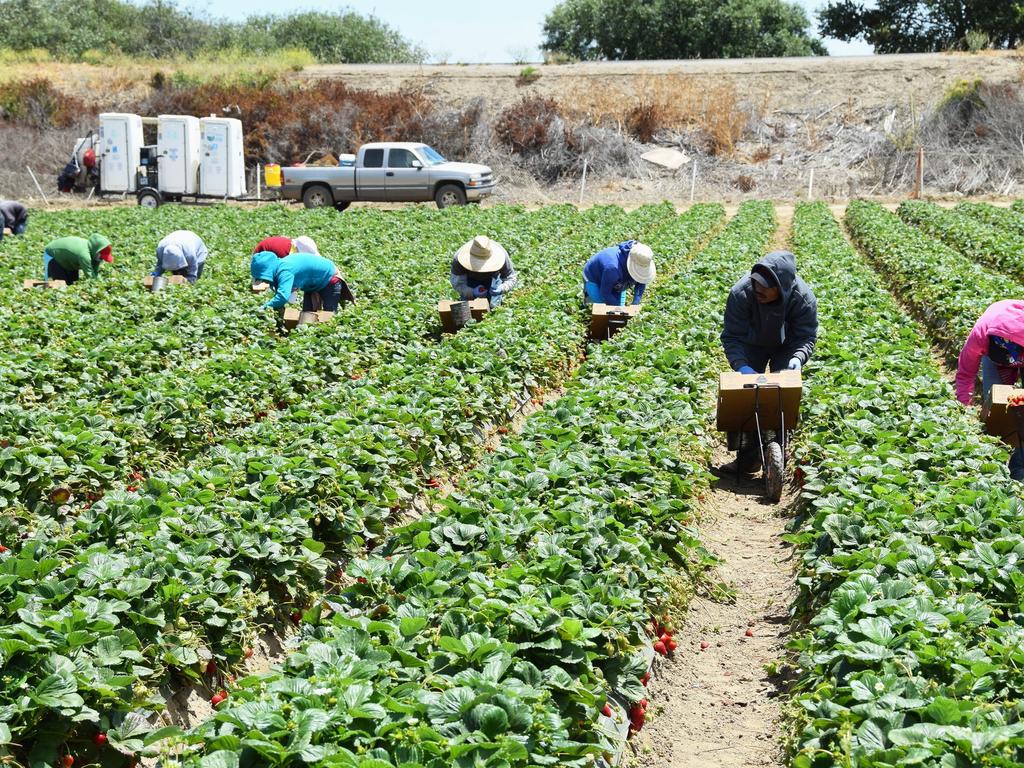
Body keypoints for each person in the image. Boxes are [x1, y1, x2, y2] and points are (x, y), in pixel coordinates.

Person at [720, 250, 818, 474]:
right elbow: (732, 337)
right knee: (747, 394)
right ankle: (747, 459)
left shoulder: (802, 298)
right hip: (751, 343)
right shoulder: (741, 293)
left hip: (788, 345)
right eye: (756, 284)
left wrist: (797, 358)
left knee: (782, 395)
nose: (758, 290)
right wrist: (741, 365)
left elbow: (806, 336)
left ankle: (779, 452)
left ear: (781, 288)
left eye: (765, 287)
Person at [956, 300, 1024, 480]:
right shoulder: (981, 335)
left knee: (1022, 411)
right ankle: (996, 457)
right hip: (992, 356)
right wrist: (964, 405)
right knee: (995, 403)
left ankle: (1019, 468)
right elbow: (966, 373)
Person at [251, 250, 350, 313]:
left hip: (329, 278)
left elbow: (282, 296)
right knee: (307, 314)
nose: (264, 281)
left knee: (329, 314)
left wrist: (264, 307)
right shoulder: (279, 267)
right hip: (312, 284)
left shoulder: (284, 271)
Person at [450, 235, 518, 308]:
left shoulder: (502, 255)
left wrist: (502, 288)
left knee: (493, 307)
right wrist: (472, 292)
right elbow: (458, 284)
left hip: (493, 279)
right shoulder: (459, 259)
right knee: (468, 308)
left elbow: (510, 278)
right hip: (469, 279)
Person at [582, 241, 655, 306]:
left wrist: (635, 303)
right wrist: (617, 308)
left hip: (614, 278)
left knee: (618, 309)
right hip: (594, 278)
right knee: (604, 309)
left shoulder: (641, 257)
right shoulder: (613, 268)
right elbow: (605, 293)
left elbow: (641, 281)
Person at [43, 234, 113, 284]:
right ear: (97, 252)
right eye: (101, 257)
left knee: (73, 281)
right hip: (53, 254)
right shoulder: (84, 255)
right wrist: (98, 285)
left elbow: (95, 270)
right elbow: (90, 275)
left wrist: (98, 281)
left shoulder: (94, 253)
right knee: (62, 283)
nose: (102, 259)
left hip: (69, 259)